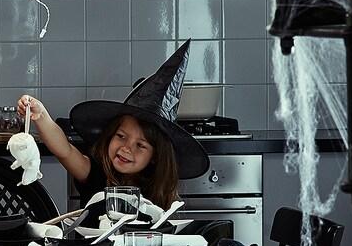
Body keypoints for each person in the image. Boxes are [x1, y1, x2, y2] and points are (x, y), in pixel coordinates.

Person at [16, 40, 210, 210]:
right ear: (110, 135)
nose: (126, 148)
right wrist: (41, 116)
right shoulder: (94, 174)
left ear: (155, 156)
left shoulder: (157, 191)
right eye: (121, 136)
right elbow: (65, 150)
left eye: (140, 145)